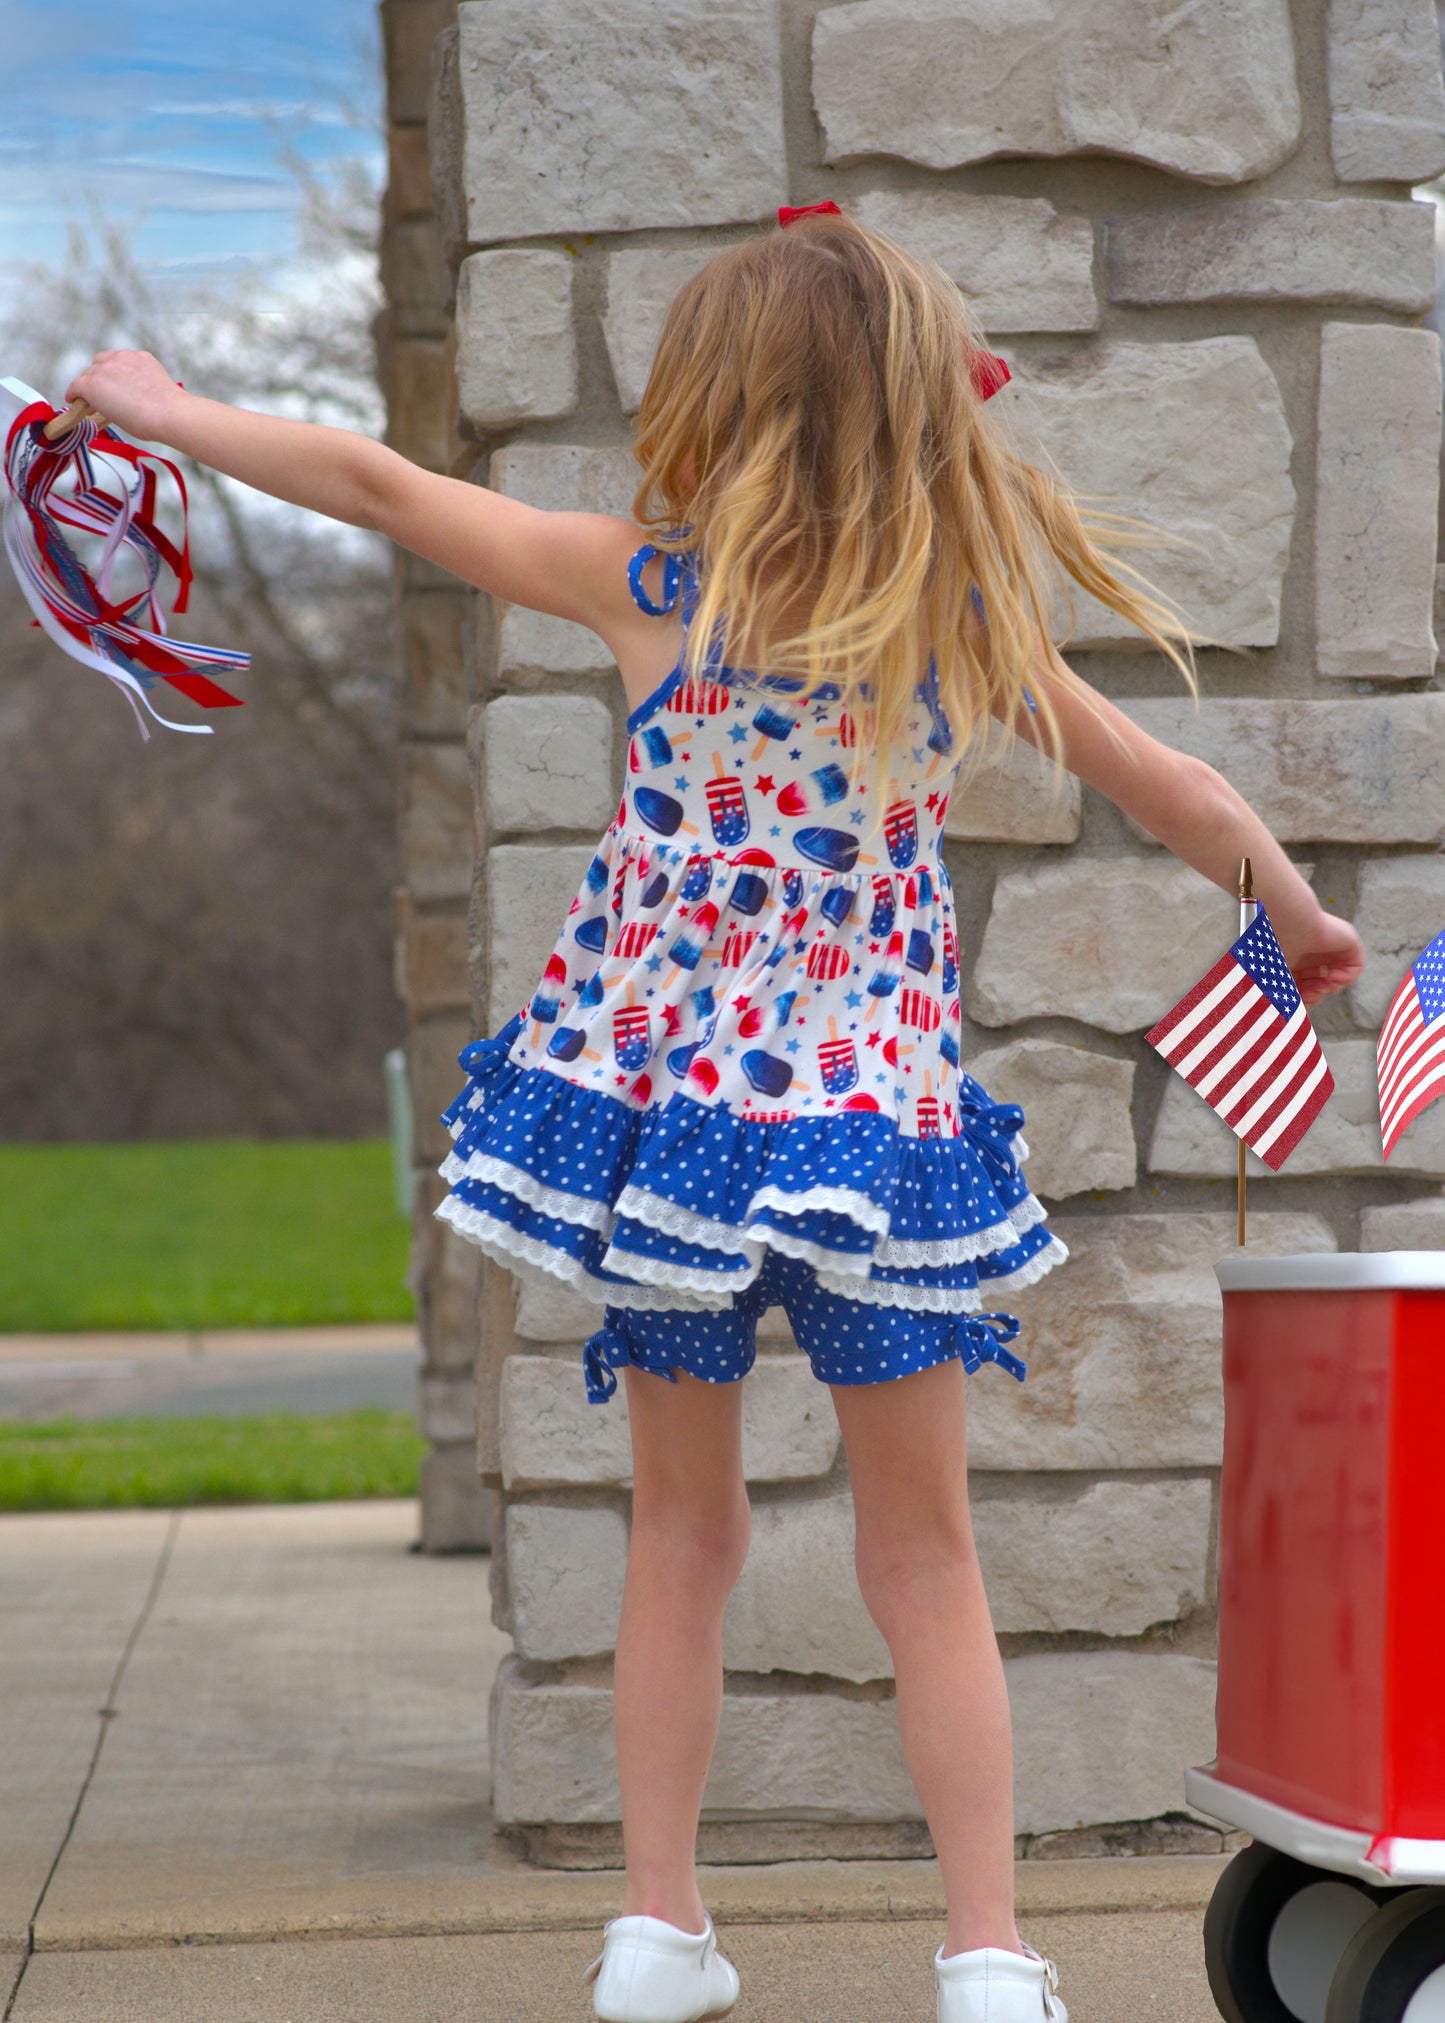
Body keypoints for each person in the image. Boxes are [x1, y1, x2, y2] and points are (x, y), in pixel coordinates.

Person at [69, 205, 1363, 2023]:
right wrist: (1291, 913)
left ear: (717, 403)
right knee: (927, 1551)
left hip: (667, 1139)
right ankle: (986, 1954)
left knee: (681, 1534)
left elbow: (374, 486)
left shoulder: (643, 585)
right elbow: (1167, 780)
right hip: (867, 1140)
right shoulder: (958, 620)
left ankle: (653, 1931)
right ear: (909, 410)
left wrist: (161, 404)